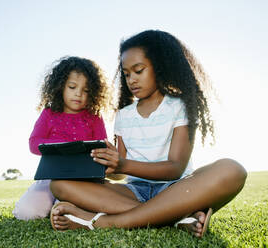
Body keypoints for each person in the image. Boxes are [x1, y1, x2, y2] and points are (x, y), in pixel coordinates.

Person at [49, 30, 247, 237]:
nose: (131, 79)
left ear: (160, 68)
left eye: (139, 70)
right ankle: (175, 217)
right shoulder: (124, 116)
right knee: (60, 184)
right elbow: (120, 173)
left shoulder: (180, 107)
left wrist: (123, 164)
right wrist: (108, 164)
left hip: (176, 189)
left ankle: (101, 222)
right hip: (134, 192)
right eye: (126, 74)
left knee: (232, 169)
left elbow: (175, 168)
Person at [13, 56, 112, 220]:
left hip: (82, 181)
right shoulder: (49, 113)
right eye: (72, 87)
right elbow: (34, 143)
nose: (78, 94)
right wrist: (66, 146)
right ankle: (48, 204)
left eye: (86, 90)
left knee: (68, 214)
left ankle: (61, 206)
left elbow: (102, 147)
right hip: (49, 178)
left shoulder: (94, 117)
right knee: (27, 213)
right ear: (60, 87)